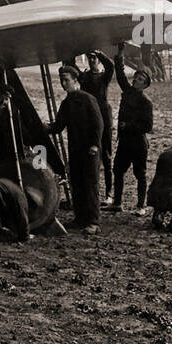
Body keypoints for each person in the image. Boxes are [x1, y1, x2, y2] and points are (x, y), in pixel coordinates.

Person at [49, 64, 103, 234]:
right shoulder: (67, 103)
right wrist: (42, 127)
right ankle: (80, 218)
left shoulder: (88, 99)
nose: (63, 83)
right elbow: (58, 126)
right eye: (61, 80)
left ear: (75, 80)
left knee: (90, 185)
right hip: (76, 149)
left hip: (90, 150)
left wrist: (95, 145)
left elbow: (98, 124)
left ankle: (94, 222)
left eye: (66, 80)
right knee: (77, 183)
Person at [105, 45, 153, 215]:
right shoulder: (128, 91)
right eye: (136, 77)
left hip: (138, 144)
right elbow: (120, 75)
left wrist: (129, 126)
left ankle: (141, 206)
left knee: (140, 174)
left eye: (140, 79)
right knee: (118, 170)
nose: (135, 80)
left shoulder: (146, 102)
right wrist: (120, 55)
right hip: (124, 142)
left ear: (145, 84)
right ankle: (117, 203)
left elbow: (148, 126)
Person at [76, 49, 114, 202]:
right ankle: (92, 192)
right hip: (88, 119)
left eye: (94, 58)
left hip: (104, 119)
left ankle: (109, 194)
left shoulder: (103, 77)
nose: (92, 61)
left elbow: (110, 66)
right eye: (89, 58)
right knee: (90, 155)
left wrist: (100, 53)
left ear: (98, 60)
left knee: (106, 155)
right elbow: (71, 68)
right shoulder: (83, 77)